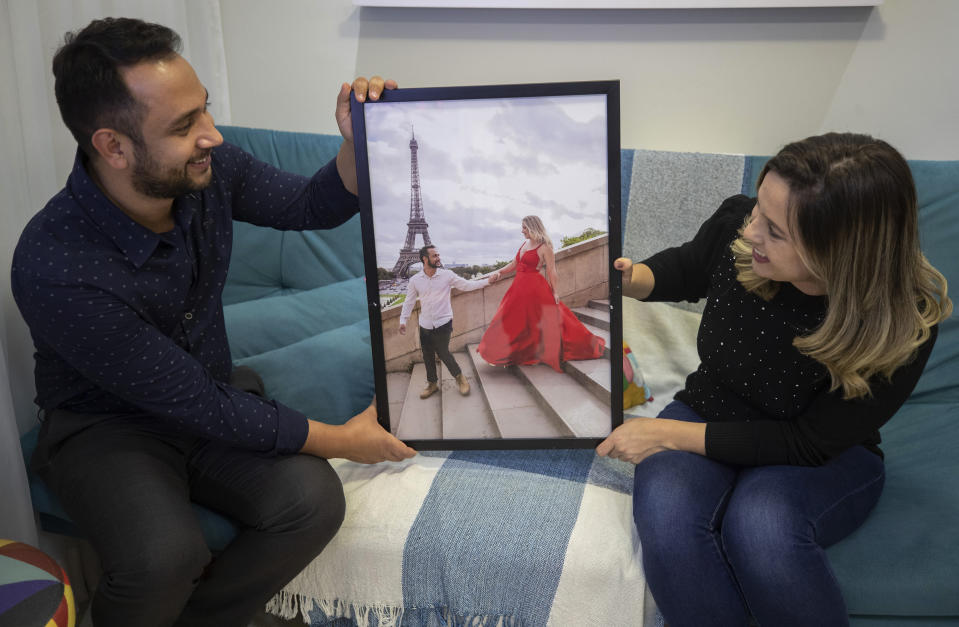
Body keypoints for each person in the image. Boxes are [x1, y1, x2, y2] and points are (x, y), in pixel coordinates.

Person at [11, 17, 416, 627]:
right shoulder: (55, 264)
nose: (213, 135)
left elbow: (309, 204)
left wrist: (356, 143)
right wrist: (345, 440)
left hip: (209, 396)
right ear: (113, 147)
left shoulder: (207, 174)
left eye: (205, 110)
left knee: (310, 502)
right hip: (107, 426)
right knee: (163, 557)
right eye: (184, 125)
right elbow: (199, 402)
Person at [596, 133, 952, 626]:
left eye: (777, 231)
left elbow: (806, 442)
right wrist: (631, 277)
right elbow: (689, 267)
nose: (751, 232)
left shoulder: (901, 325)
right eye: (759, 209)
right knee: (666, 511)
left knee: (761, 524)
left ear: (841, 252)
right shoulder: (741, 229)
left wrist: (664, 432)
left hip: (820, 454)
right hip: (713, 409)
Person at [478, 215, 605, 372]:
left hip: (535, 288)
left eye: (524, 227)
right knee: (511, 321)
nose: (522, 231)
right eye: (522, 227)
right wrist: (499, 273)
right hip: (518, 288)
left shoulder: (545, 247)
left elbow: (552, 270)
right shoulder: (525, 243)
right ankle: (509, 353)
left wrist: (555, 291)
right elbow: (513, 264)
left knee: (547, 320)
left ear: (533, 227)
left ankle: (576, 344)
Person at [398, 245, 494, 398]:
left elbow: (467, 285)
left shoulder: (447, 275)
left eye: (438, 255)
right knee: (427, 355)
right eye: (435, 255)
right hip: (425, 324)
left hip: (443, 322)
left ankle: (460, 378)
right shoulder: (415, 280)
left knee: (443, 352)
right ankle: (432, 384)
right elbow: (409, 302)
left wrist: (488, 281)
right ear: (425, 258)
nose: (438, 258)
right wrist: (403, 320)